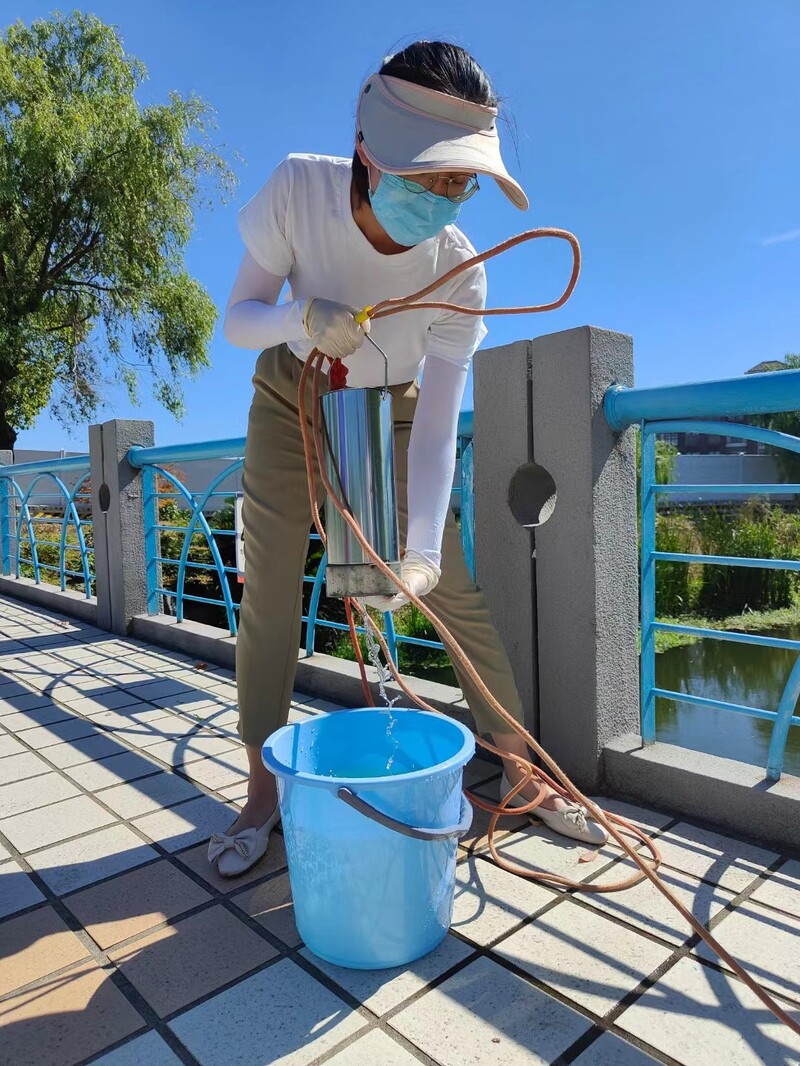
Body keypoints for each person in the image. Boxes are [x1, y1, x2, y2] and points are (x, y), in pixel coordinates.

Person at [210, 40, 606, 877]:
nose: (446, 197)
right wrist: (298, 316)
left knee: (452, 588)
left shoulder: (462, 269)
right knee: (272, 586)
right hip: (291, 391)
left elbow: (435, 430)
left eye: (462, 182)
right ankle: (259, 792)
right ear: (369, 150)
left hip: (390, 409)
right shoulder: (298, 188)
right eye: (430, 176)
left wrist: (419, 555)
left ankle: (526, 775)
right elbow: (239, 316)